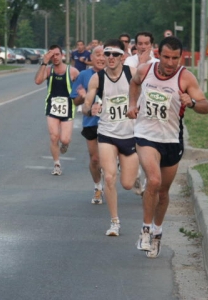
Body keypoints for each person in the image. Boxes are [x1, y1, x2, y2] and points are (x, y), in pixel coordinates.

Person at [127, 36, 208, 258]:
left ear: (180, 57)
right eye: (166, 57)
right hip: (146, 136)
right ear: (158, 53)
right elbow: (134, 83)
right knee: (153, 180)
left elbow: (205, 106)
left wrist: (191, 103)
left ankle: (157, 232)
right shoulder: (146, 70)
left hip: (172, 139)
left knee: (163, 192)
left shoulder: (186, 77)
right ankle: (145, 230)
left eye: (175, 58)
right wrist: (132, 104)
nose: (170, 62)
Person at [82, 39, 139, 236]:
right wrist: (91, 109)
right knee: (108, 176)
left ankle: (137, 176)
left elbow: (146, 95)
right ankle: (114, 222)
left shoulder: (132, 74)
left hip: (130, 134)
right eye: (107, 54)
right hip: (107, 133)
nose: (111, 58)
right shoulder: (97, 79)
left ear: (123, 56)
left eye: (115, 54)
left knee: (127, 184)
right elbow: (85, 106)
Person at [34, 44, 79, 176]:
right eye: (52, 55)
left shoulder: (72, 71)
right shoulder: (48, 70)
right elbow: (37, 81)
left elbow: (83, 84)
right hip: (52, 107)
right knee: (54, 136)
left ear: (62, 55)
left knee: (64, 139)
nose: (55, 57)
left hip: (68, 108)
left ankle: (65, 145)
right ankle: (57, 164)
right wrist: (44, 62)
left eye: (57, 54)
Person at [70, 46, 106, 204]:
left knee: (108, 160)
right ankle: (98, 186)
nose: (101, 58)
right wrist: (83, 97)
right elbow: (75, 100)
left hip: (112, 124)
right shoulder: (84, 75)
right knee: (95, 159)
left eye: (104, 55)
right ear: (91, 57)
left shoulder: (114, 75)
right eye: (97, 55)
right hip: (91, 122)